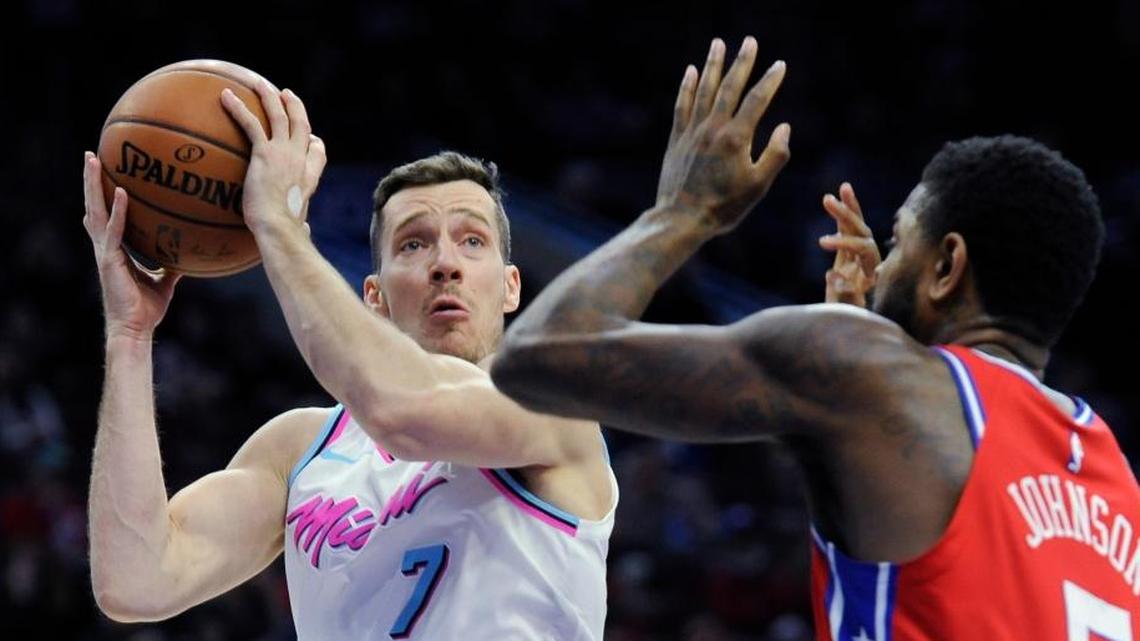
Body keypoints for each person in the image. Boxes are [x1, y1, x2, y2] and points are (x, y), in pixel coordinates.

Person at [491, 35, 1139, 639]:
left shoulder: (871, 374)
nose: (880, 266)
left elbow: (537, 357)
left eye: (897, 240)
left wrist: (683, 213)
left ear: (946, 265)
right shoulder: (1114, 479)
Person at [83, 81, 616, 640]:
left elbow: (402, 412)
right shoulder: (298, 450)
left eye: (472, 241)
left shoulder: (553, 406)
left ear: (510, 288)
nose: (445, 264)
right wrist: (129, 335)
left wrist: (278, 225)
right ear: (373, 296)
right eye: (413, 244)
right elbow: (135, 581)